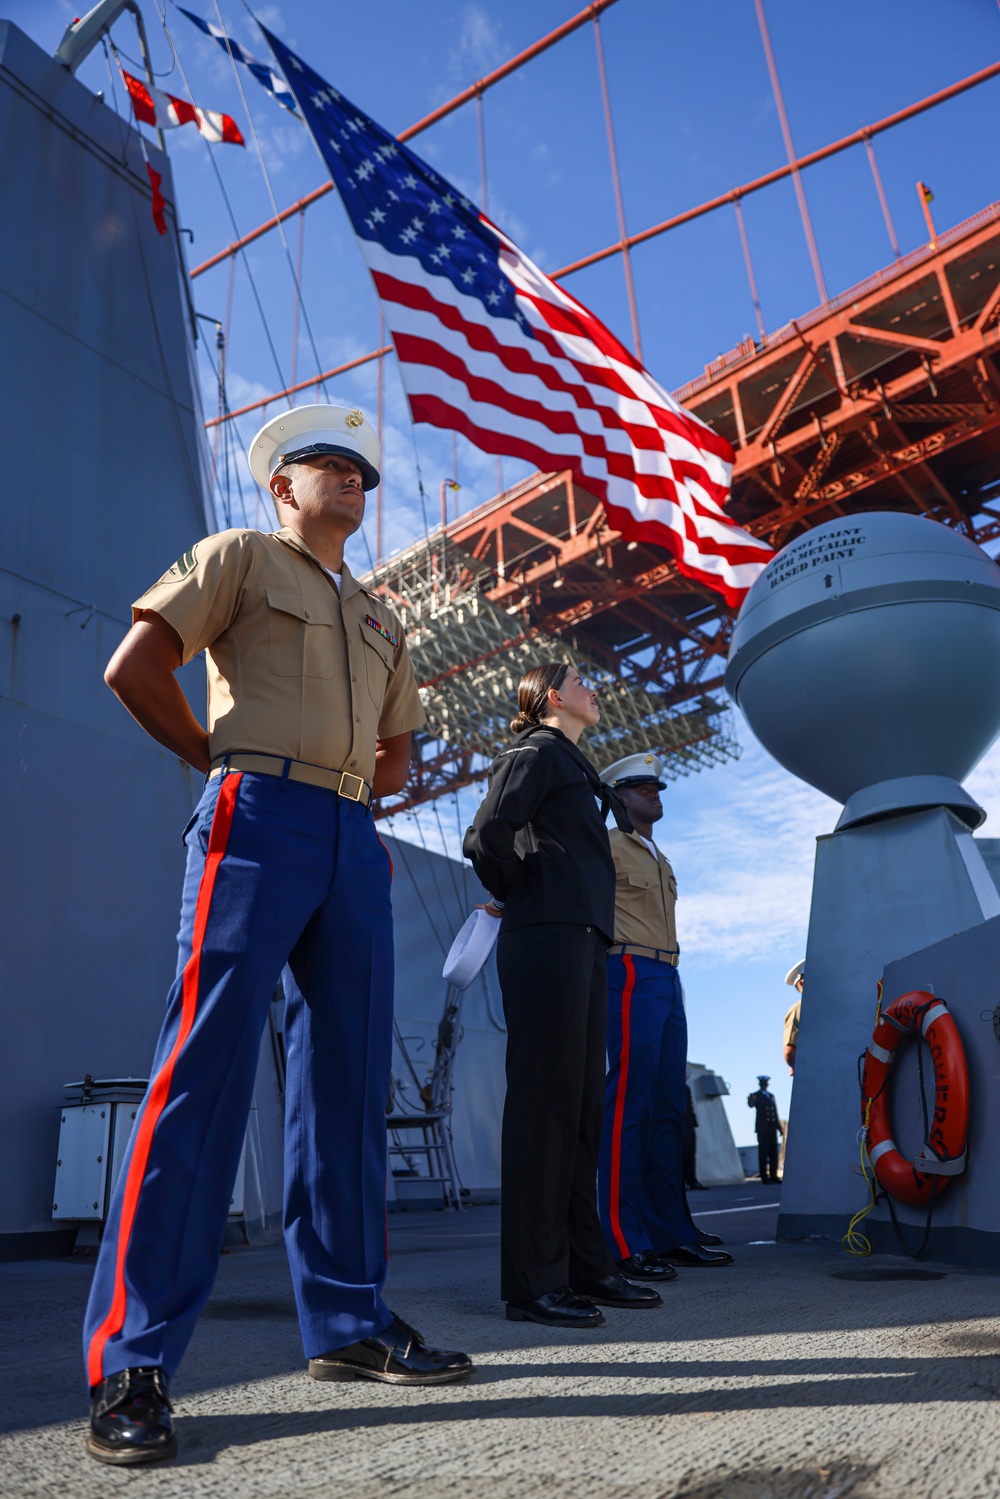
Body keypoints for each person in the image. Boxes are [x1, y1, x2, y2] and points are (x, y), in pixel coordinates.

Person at [83, 405, 472, 1467]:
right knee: (202, 1076)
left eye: (361, 469)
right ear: (280, 487)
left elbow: (400, 755)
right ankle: (133, 1356)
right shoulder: (240, 557)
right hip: (254, 815)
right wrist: (223, 763)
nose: (351, 477)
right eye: (326, 464)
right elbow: (135, 664)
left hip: (350, 834)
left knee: (346, 1088)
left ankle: (348, 1324)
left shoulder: (383, 618)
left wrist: (354, 798)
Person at [463, 664, 662, 1327]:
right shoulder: (536, 750)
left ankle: (586, 1264)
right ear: (553, 696)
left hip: (581, 941)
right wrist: (525, 885)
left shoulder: (570, 761)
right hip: (545, 936)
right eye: (583, 680)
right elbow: (487, 833)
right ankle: (532, 1282)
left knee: (580, 1106)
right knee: (544, 1106)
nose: (595, 688)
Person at [597, 754, 732, 1278]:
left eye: (656, 787)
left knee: (668, 1107)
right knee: (630, 1102)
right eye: (642, 788)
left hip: (668, 975)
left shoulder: (660, 857)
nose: (656, 794)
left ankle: (669, 1230)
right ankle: (619, 1237)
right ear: (617, 797)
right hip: (628, 968)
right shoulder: (606, 847)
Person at [747, 1074, 783, 1183]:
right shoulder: (756, 1095)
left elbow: (774, 1113)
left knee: (773, 1153)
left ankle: (773, 1175)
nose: (764, 1086)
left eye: (765, 1084)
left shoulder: (771, 1096)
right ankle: (764, 1176)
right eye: (763, 1084)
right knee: (763, 1152)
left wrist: (779, 1127)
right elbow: (751, 1105)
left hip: (772, 1128)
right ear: (760, 1085)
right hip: (762, 1128)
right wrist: (750, 1099)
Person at [683, 1073, 707, 1191]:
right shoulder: (676, 1087)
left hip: (689, 1124)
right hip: (681, 1125)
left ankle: (692, 1180)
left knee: (691, 1154)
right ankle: (682, 1181)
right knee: (682, 1154)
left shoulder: (686, 1087)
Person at [784, 960, 804, 1074]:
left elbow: (789, 1053)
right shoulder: (798, 1009)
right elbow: (790, 1052)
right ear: (802, 983)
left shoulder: (799, 1009)